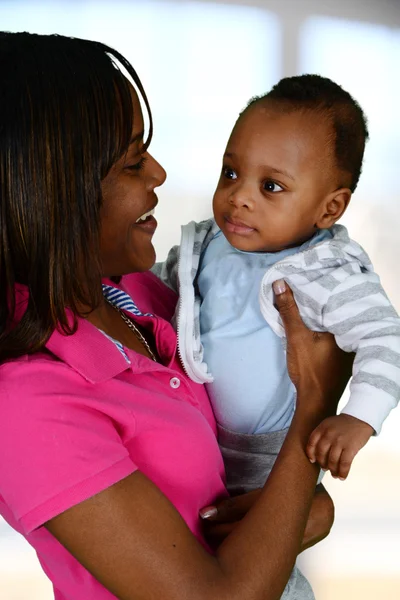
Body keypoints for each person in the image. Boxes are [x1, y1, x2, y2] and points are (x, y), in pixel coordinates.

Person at [0, 32, 351, 600]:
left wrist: (302, 514)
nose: (159, 174)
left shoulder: (153, 295)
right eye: (134, 162)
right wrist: (316, 404)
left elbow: (265, 484)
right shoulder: (26, 398)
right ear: (52, 191)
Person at [154, 76, 400, 488]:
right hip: (196, 435)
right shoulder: (207, 246)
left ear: (330, 208)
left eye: (271, 186)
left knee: (266, 544)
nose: (239, 196)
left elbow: (387, 339)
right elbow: (153, 290)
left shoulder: (328, 272)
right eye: (231, 172)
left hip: (272, 459)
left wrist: (360, 417)